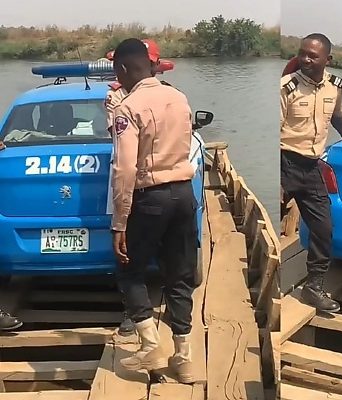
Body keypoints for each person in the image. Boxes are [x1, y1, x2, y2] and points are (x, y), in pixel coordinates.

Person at [110, 38, 198, 383]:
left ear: (122, 70)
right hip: (183, 194)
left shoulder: (126, 108)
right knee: (180, 276)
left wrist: (119, 221)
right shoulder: (179, 97)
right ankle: (185, 357)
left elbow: (124, 169)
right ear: (151, 65)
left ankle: (150, 344)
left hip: (150, 198)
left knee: (129, 271)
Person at [280, 33, 342, 313]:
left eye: (313, 56)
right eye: (303, 53)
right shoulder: (286, 88)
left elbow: (336, 116)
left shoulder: (335, 87)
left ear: (328, 60)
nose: (305, 60)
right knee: (268, 220)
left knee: (324, 228)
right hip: (284, 161)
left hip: (312, 166)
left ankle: (313, 287)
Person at [104, 39, 162, 336]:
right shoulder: (117, 101)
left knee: (139, 253)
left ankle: (143, 322)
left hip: (148, 185)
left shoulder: (166, 97)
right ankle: (134, 314)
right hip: (129, 184)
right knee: (127, 254)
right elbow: (117, 142)